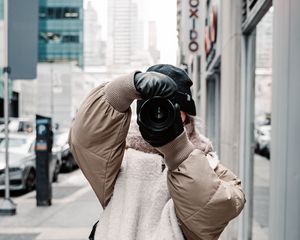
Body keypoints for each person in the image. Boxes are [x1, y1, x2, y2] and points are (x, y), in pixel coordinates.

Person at [69, 64, 245, 240]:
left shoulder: (208, 164)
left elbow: (216, 210)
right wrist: (120, 91)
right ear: (142, 114)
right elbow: (87, 141)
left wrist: (179, 152)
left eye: (173, 109)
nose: (162, 115)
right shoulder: (119, 158)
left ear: (186, 116)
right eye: (154, 109)